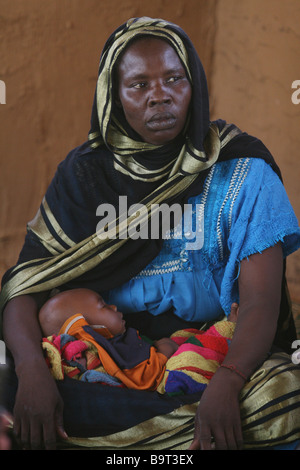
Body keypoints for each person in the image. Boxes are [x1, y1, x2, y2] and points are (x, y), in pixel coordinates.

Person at [0, 17, 300, 451]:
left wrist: (230, 382)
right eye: (139, 85)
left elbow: (259, 303)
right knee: (12, 388)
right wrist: (31, 371)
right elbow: (24, 288)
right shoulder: (85, 176)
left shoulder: (243, 171)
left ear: (193, 84)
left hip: (210, 360)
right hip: (108, 363)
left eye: (174, 78)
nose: (160, 95)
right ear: (114, 99)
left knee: (285, 400)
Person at [39, 288, 177, 389]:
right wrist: (165, 349)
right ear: (86, 329)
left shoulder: (114, 344)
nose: (114, 307)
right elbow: (145, 378)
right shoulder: (110, 354)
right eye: (104, 306)